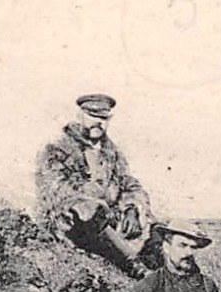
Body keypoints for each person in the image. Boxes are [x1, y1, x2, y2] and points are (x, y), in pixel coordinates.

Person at [35, 93, 154, 276]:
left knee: (159, 231)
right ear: (80, 115)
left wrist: (132, 208)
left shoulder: (112, 153)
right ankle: (133, 266)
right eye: (93, 116)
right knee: (88, 210)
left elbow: (129, 183)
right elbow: (54, 189)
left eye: (104, 118)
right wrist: (94, 202)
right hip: (72, 224)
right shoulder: (57, 149)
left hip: (109, 223)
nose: (99, 123)